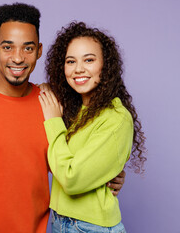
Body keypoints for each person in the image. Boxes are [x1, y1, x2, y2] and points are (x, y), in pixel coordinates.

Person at [0, 3, 125, 233]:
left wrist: (111, 171)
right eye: (8, 47)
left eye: (27, 48)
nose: (18, 58)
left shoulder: (51, 104)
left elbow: (72, 162)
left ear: (39, 50)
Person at [38, 22, 146, 233]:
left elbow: (71, 179)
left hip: (90, 227)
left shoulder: (116, 117)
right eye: (71, 61)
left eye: (89, 60)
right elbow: (61, 160)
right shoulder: (75, 109)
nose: (79, 68)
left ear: (105, 65)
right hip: (61, 222)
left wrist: (53, 122)